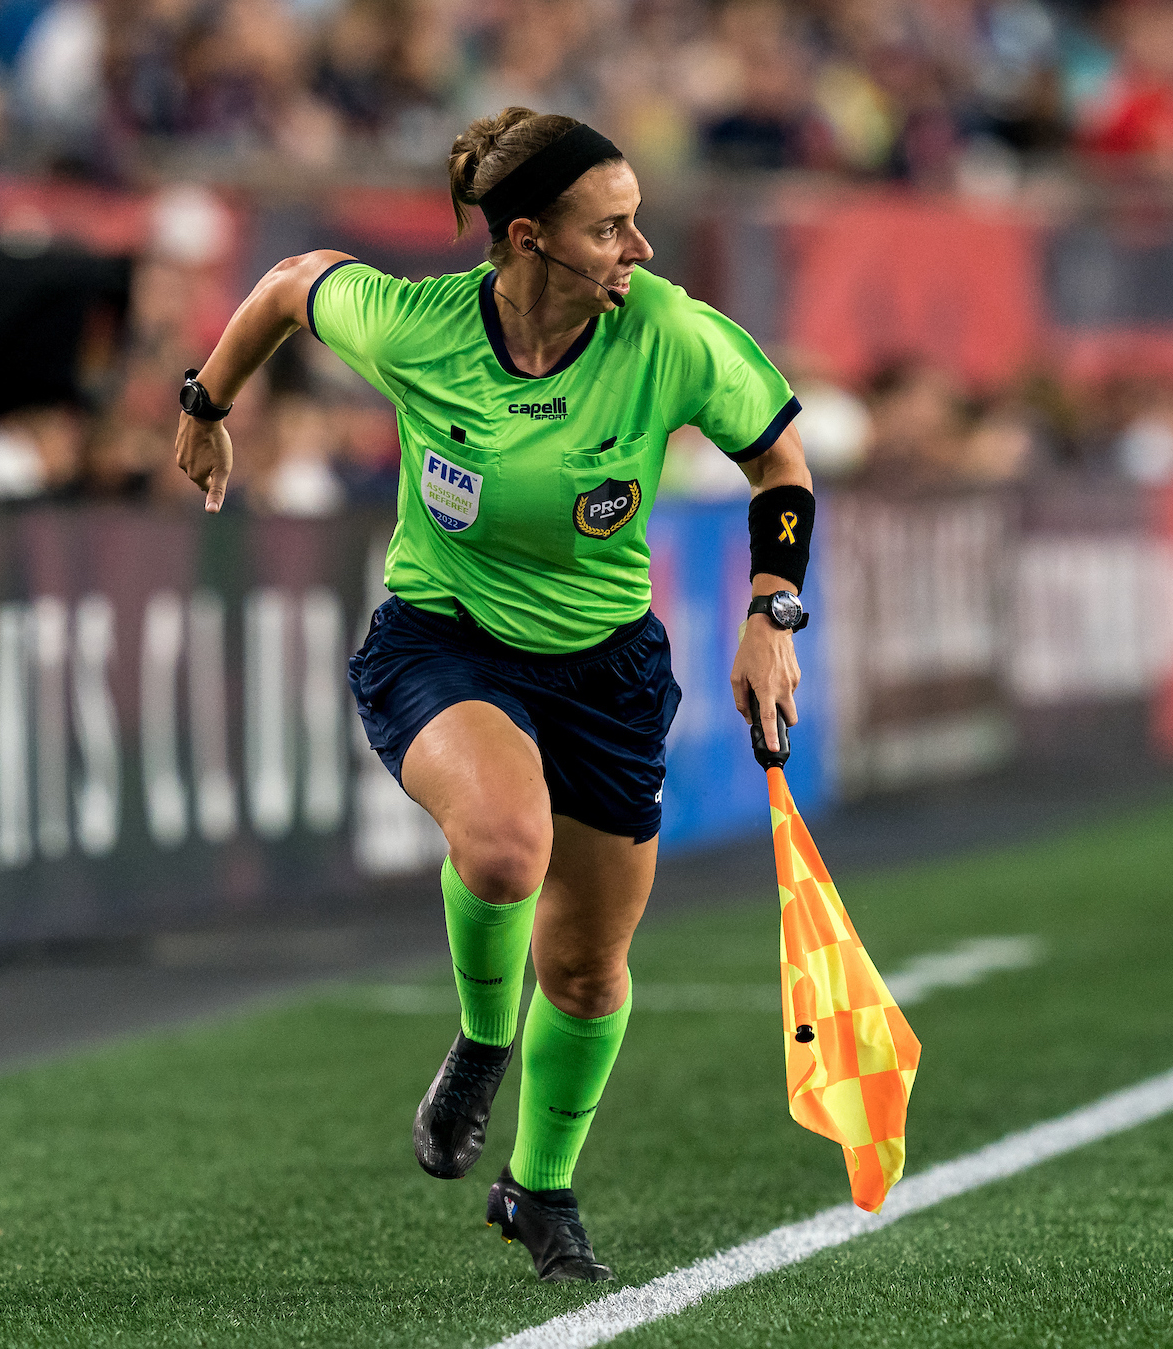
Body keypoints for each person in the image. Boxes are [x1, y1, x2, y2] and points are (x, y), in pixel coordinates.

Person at [171, 107, 813, 1282]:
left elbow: (777, 459)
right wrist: (206, 404)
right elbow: (283, 284)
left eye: (636, 221)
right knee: (508, 849)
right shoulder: (417, 325)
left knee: (587, 966)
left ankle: (539, 1187)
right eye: (611, 228)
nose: (642, 249)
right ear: (528, 237)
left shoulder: (668, 333)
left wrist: (773, 615)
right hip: (443, 640)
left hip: (608, 671)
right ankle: (479, 1037)